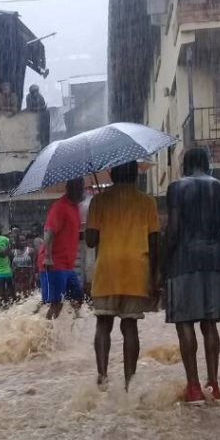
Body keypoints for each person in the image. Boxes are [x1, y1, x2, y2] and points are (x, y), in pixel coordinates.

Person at [165, 147, 220, 403]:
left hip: (183, 261)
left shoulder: (177, 188)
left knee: (185, 323)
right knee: (210, 323)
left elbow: (173, 230)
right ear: (207, 163)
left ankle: (193, 387)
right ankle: (213, 384)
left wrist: (163, 263)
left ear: (186, 165)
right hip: (214, 261)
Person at [85, 161, 160, 390]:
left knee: (103, 324)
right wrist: (156, 276)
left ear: (113, 174)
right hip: (137, 269)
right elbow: (155, 241)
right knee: (130, 327)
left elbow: (90, 241)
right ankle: (129, 383)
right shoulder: (148, 202)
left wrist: (99, 212)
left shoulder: (98, 201)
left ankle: (103, 377)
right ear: (136, 175)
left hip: (107, 268)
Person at [43, 178, 85, 319]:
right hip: (55, 263)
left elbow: (73, 233)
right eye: (79, 187)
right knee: (56, 303)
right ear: (70, 188)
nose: (82, 190)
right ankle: (45, 336)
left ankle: (68, 332)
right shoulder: (59, 207)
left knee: (77, 298)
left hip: (67, 265)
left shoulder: (75, 208)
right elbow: (49, 232)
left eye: (82, 187)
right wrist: (48, 257)